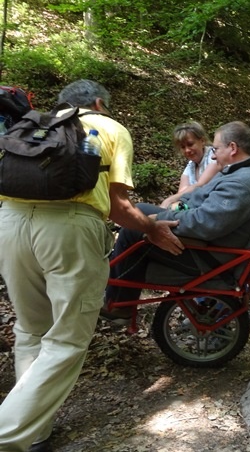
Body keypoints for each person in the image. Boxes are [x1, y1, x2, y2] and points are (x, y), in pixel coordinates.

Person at [0, 79, 183, 452]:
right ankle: (7, 435)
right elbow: (119, 207)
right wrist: (151, 229)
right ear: (99, 103)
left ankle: (35, 432)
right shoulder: (111, 128)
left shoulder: (36, 124)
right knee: (66, 339)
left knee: (32, 330)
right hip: (69, 229)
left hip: (9, 223)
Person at [101, 121, 250, 321]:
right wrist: (176, 205)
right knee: (140, 211)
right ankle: (115, 292)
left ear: (233, 148)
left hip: (208, 256)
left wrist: (161, 217)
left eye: (216, 149)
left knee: (134, 229)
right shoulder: (240, 172)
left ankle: (118, 304)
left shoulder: (241, 183)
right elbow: (197, 198)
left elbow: (205, 223)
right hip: (205, 243)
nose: (214, 155)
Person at [160, 122, 222, 209]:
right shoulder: (191, 165)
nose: (187, 150)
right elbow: (181, 193)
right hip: (192, 209)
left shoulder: (214, 157)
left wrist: (168, 201)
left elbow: (200, 185)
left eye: (190, 144)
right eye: (182, 147)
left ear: (202, 141)